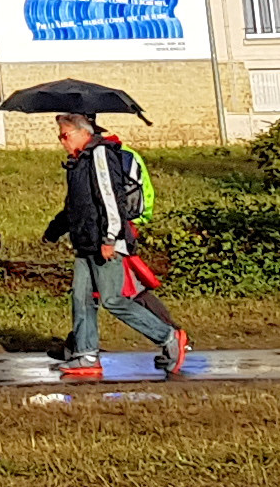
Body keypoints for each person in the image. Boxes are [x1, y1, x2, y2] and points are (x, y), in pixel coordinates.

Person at [39, 112, 186, 380]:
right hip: (85, 243)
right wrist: (54, 230)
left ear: (84, 132)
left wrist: (110, 238)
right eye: (60, 136)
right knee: (81, 299)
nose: (62, 141)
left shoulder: (100, 155)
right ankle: (86, 356)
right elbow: (74, 206)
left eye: (65, 135)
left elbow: (111, 200)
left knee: (112, 300)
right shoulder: (77, 163)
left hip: (105, 243)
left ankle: (168, 336)